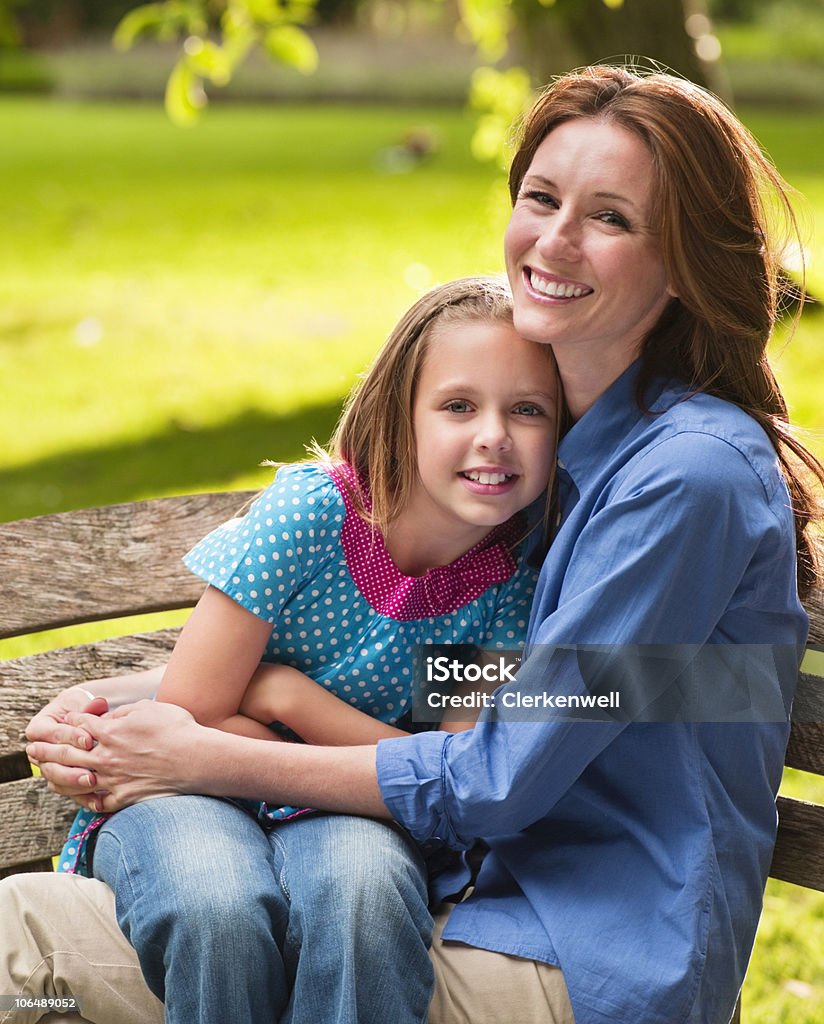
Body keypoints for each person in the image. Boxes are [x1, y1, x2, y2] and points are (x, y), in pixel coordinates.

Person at [8, 63, 824, 1024]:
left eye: (611, 218)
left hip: (588, 959)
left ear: (682, 263)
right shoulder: (574, 457)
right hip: (496, 904)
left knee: (23, 933)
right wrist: (133, 702)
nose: (555, 239)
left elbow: (500, 773)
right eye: (541, 198)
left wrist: (206, 756)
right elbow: (538, 685)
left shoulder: (681, 479)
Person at [4, 274, 557, 1024]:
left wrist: (288, 694)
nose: (493, 433)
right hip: (187, 796)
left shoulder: (512, 582)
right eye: (458, 405)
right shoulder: (312, 513)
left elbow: (447, 784)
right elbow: (190, 720)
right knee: (215, 908)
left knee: (363, 899)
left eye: (527, 410)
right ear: (402, 414)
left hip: (353, 815)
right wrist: (326, 747)